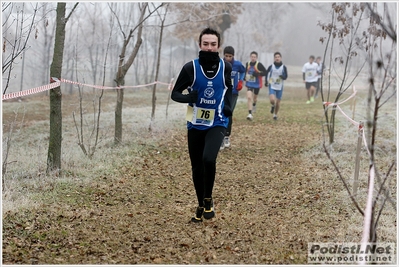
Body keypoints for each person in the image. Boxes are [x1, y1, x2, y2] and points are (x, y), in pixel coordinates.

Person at [171, 27, 232, 223]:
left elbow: (229, 89)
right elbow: (175, 93)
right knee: (197, 167)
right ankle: (201, 204)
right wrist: (188, 97)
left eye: (213, 44)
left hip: (218, 121)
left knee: (208, 159)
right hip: (195, 122)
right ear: (200, 45)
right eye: (205, 44)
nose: (209, 47)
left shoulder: (226, 67)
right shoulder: (190, 68)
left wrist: (229, 106)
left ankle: (208, 198)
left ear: (218, 46)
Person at [220, 45, 246, 150]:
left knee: (229, 112)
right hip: (222, 92)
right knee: (220, 113)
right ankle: (220, 138)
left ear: (233, 56)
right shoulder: (220, 64)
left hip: (233, 93)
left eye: (230, 56)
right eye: (226, 56)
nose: (228, 58)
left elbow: (243, 71)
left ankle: (226, 136)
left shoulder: (238, 65)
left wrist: (240, 81)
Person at [244, 51, 267, 120]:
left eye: (254, 57)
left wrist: (258, 74)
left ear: (256, 58)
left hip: (257, 84)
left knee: (255, 98)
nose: (253, 58)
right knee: (249, 97)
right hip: (249, 83)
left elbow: (265, 72)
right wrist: (244, 77)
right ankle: (250, 113)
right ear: (250, 57)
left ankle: (254, 105)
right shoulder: (247, 64)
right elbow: (245, 72)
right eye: (252, 57)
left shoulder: (259, 64)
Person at [264, 52, 288, 120]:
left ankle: (275, 114)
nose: (277, 58)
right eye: (276, 57)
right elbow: (266, 74)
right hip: (272, 84)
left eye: (278, 57)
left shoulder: (284, 67)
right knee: (272, 99)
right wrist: (266, 81)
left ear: (280, 58)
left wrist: (282, 76)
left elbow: (286, 76)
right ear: (274, 58)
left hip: (279, 86)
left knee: (278, 101)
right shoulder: (271, 66)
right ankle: (272, 105)